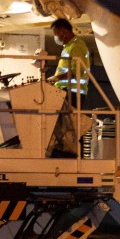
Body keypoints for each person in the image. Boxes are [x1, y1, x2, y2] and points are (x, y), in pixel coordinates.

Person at [46, 19, 92, 157]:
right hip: (67, 91)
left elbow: (77, 70)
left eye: (56, 34)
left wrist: (56, 78)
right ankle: (64, 152)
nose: (56, 37)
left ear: (64, 31)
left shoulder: (76, 46)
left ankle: (71, 154)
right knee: (66, 126)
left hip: (72, 92)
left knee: (71, 126)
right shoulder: (68, 47)